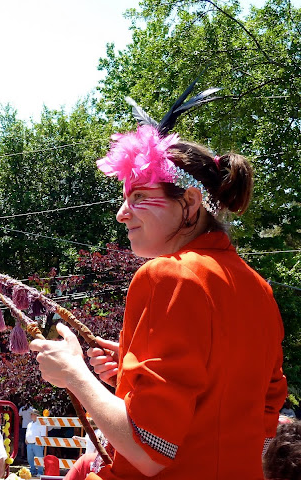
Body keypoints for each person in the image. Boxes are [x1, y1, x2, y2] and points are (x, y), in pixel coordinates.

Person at [30, 85, 287, 479]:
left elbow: (151, 450)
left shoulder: (169, 274)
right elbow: (260, 428)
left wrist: (74, 374)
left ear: (190, 203)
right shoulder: (258, 288)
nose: (121, 213)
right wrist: (132, 373)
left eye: (138, 197)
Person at [24, 409, 46, 476]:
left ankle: (40, 472)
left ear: (36, 415)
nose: (31, 415)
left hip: (37, 444)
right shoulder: (29, 424)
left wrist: (41, 443)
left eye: (32, 414)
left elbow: (43, 435)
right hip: (29, 444)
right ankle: (32, 471)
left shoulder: (41, 424)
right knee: (30, 458)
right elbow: (27, 432)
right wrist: (26, 439)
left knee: (39, 458)